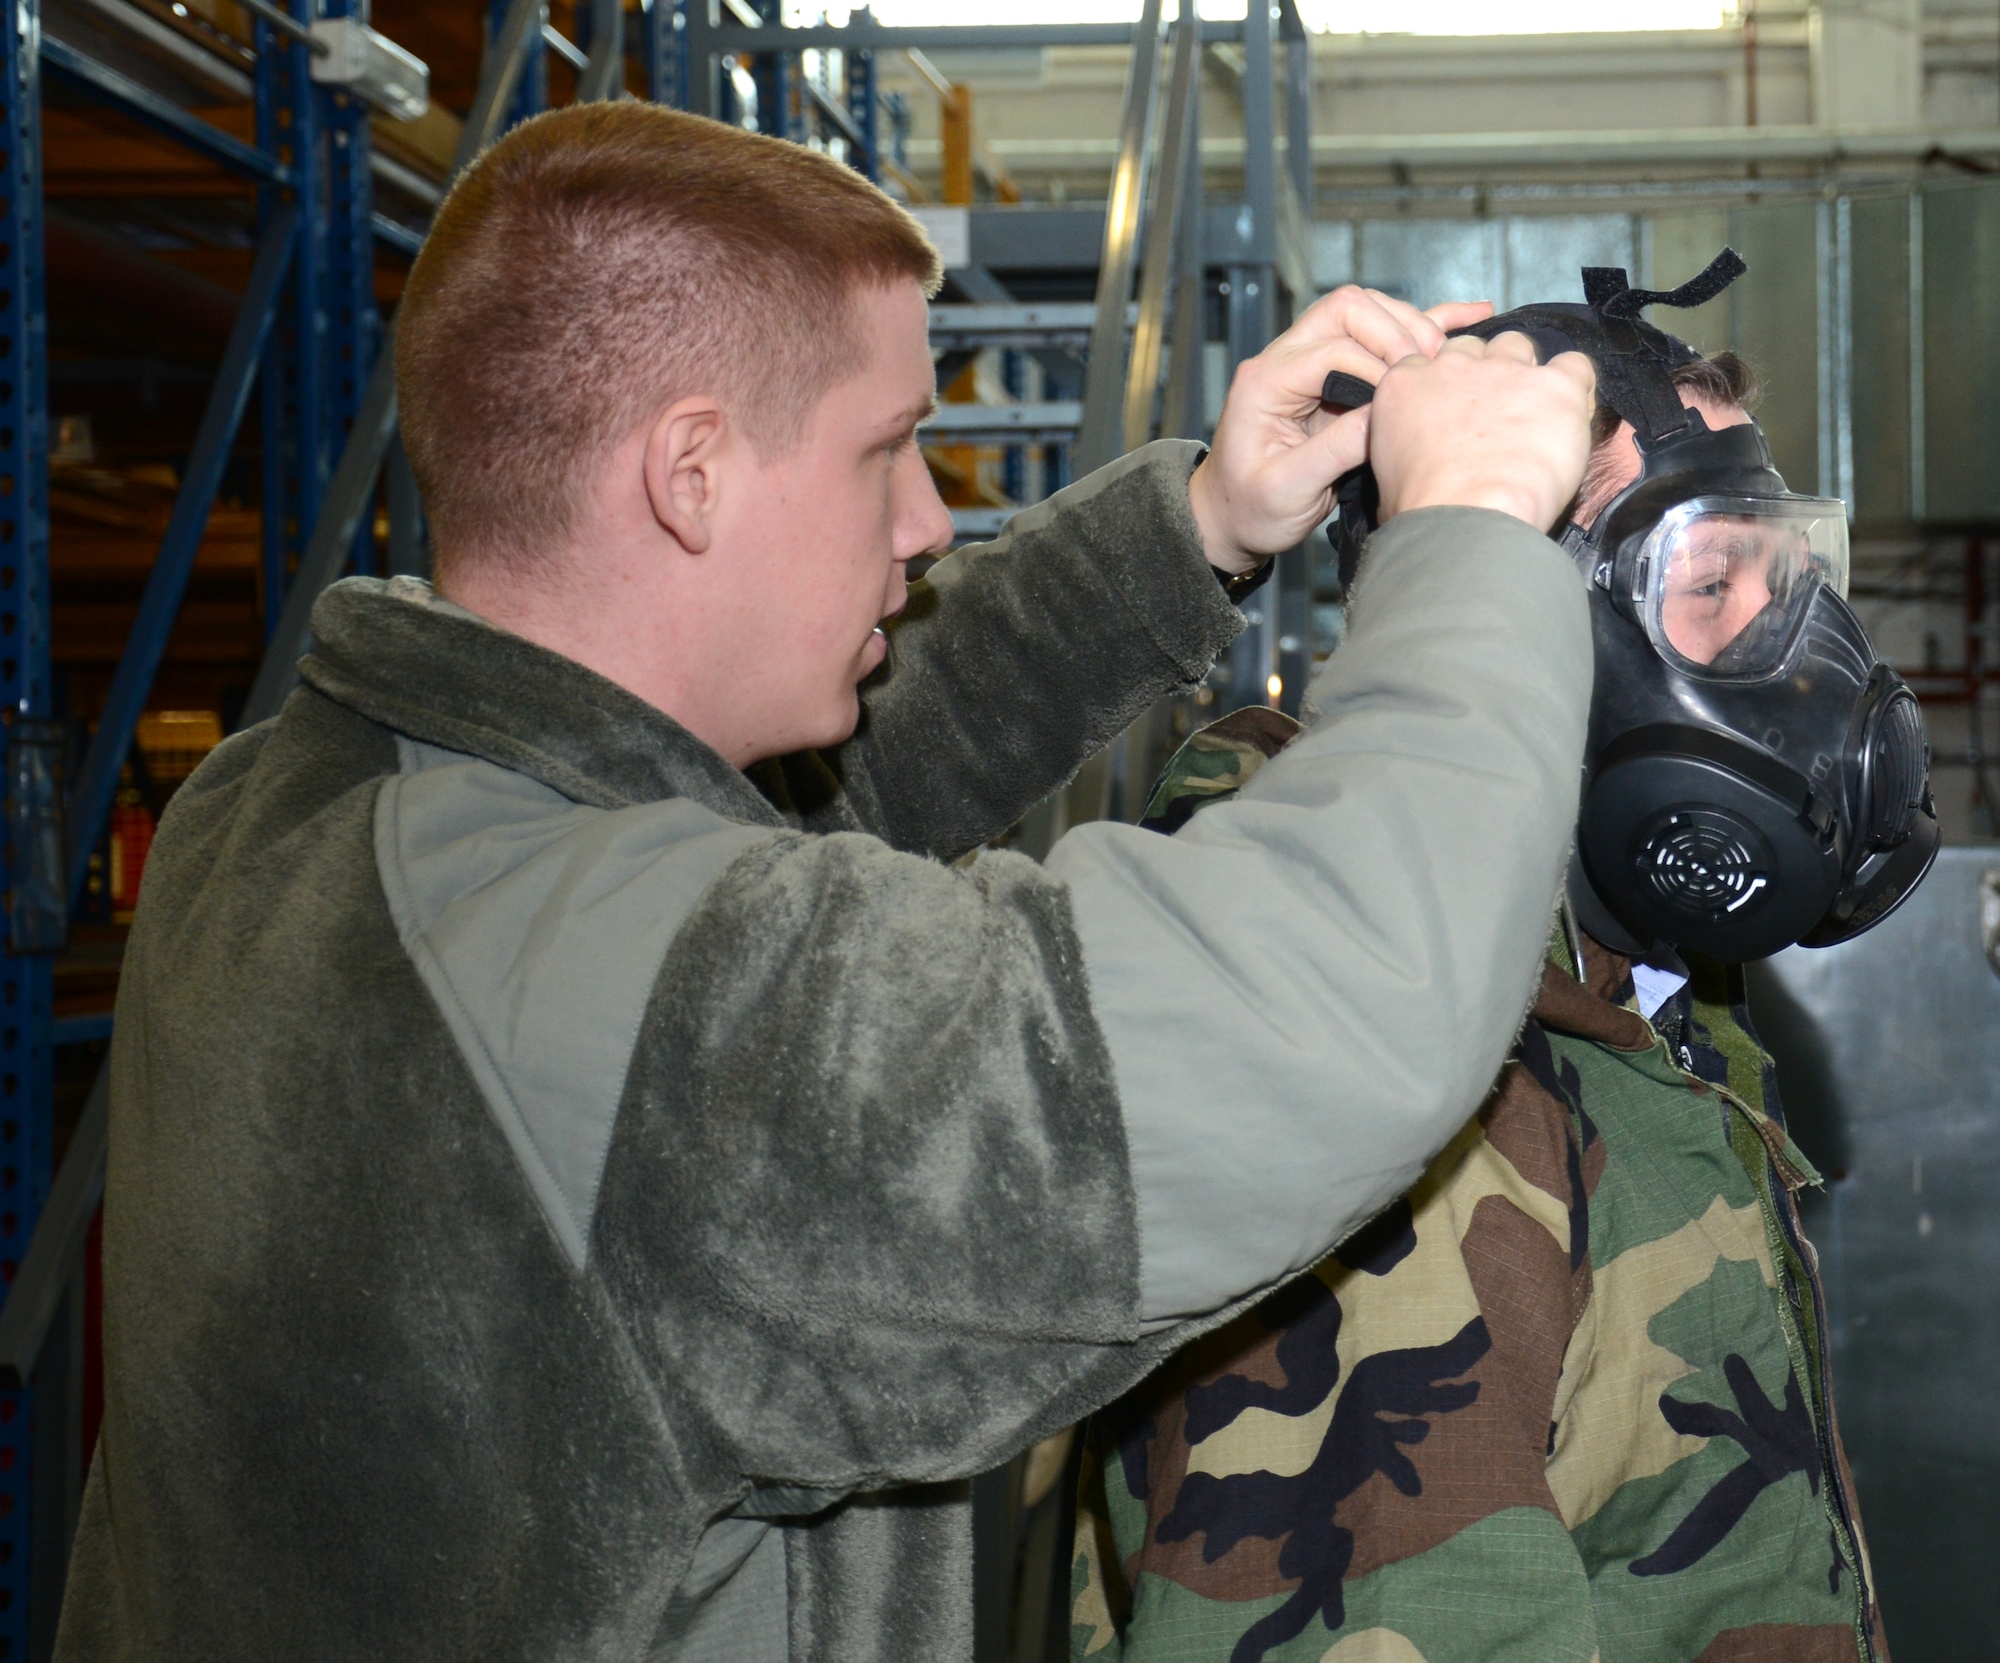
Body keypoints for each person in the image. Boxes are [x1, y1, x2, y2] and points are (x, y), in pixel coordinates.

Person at [54, 101, 1600, 1661]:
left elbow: (775, 813)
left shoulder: (277, 810)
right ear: (693, 475)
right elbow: (1329, 1003)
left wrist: (1196, 528)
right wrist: (1467, 534)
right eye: (888, 449)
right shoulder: (653, 1020)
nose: (929, 520)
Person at [1070, 325, 1907, 1663]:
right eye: (1711, 581)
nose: (1800, 666)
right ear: (1520, 605)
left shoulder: (1636, 1004)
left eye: (1786, 577)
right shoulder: (1387, 1087)